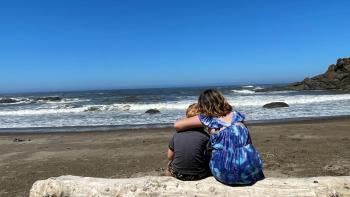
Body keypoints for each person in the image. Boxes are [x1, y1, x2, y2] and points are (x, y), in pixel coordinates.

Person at [174, 89, 264, 185]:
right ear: (222, 100)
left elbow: (177, 125)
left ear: (203, 105)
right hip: (251, 170)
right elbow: (249, 142)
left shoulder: (208, 119)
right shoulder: (237, 116)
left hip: (225, 173)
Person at [165, 103, 211, 181]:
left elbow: (170, 156)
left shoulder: (177, 135)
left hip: (178, 174)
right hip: (199, 175)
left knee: (168, 166)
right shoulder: (205, 136)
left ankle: (169, 179)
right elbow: (209, 155)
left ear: (187, 119)